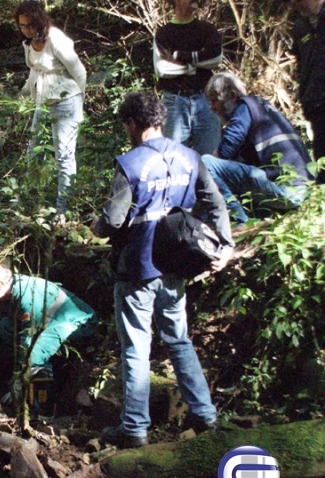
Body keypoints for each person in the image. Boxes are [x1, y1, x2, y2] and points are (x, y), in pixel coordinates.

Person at [92, 91, 235, 448]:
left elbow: (112, 220)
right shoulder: (189, 156)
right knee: (179, 340)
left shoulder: (129, 164)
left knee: (136, 347)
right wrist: (226, 246)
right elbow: (214, 202)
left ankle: (135, 429)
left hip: (138, 267)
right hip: (176, 264)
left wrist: (94, 226)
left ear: (132, 123)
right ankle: (205, 415)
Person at [0, 263, 97, 409]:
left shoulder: (26, 297)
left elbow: (31, 342)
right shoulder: (6, 299)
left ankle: (39, 409)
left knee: (36, 355)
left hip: (79, 325)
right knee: (3, 327)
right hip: (49, 325)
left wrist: (19, 380)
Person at [201, 72, 314, 226]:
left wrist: (214, 156)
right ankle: (253, 216)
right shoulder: (262, 106)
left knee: (205, 163)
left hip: (289, 190)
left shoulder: (244, 107)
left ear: (233, 96)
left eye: (215, 101)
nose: (212, 107)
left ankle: (241, 223)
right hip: (305, 189)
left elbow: (226, 151)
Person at [14, 0, 86, 214]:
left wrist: (78, 101)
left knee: (63, 155)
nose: (27, 30)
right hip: (42, 104)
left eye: (30, 25)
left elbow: (79, 71)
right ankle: (30, 203)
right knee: (34, 153)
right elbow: (35, 70)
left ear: (40, 21)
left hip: (66, 103)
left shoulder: (55, 38)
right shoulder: (27, 43)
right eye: (22, 25)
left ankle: (63, 208)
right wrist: (23, 93)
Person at [153, 0, 223, 155]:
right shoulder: (164, 33)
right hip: (174, 102)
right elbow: (162, 69)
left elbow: (216, 58)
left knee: (211, 159)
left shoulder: (207, 30)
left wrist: (182, 58)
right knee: (174, 159)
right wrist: (195, 65)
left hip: (206, 100)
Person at [286, 0, 325, 184]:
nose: (294, 5)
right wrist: (304, 95)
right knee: (322, 156)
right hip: (315, 100)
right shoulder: (300, 26)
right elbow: (301, 64)